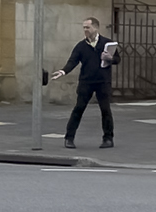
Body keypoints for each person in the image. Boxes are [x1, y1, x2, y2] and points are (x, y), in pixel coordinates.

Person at [49, 15, 119, 148]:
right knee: (79, 109)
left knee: (105, 110)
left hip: (103, 82)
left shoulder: (107, 43)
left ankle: (108, 139)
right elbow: (73, 61)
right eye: (84, 28)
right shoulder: (81, 46)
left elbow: (117, 59)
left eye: (88, 27)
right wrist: (63, 71)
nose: (85, 30)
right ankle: (69, 138)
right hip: (86, 82)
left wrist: (110, 58)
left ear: (96, 28)